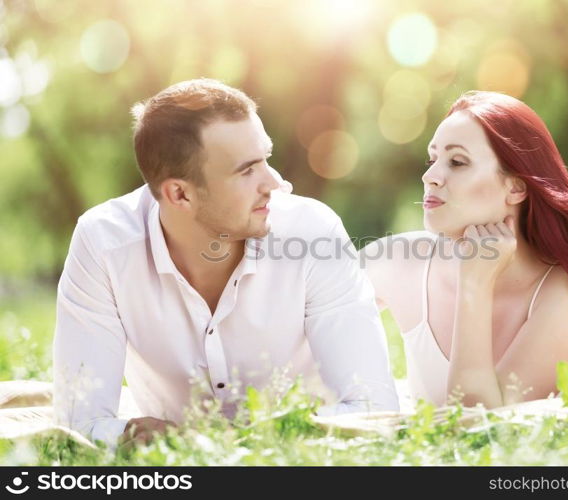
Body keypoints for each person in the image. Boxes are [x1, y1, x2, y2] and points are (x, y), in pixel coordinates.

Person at [53, 79, 398, 450]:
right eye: (247, 170)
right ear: (180, 193)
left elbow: (374, 410)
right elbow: (79, 424)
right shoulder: (105, 244)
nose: (276, 183)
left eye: (266, 158)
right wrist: (134, 435)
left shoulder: (314, 232)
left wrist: (240, 441)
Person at [360, 91, 568, 409]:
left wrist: (474, 283)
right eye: (432, 159)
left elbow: (477, 422)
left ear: (515, 186)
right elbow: (308, 311)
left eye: (457, 162)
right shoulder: (399, 260)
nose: (429, 176)